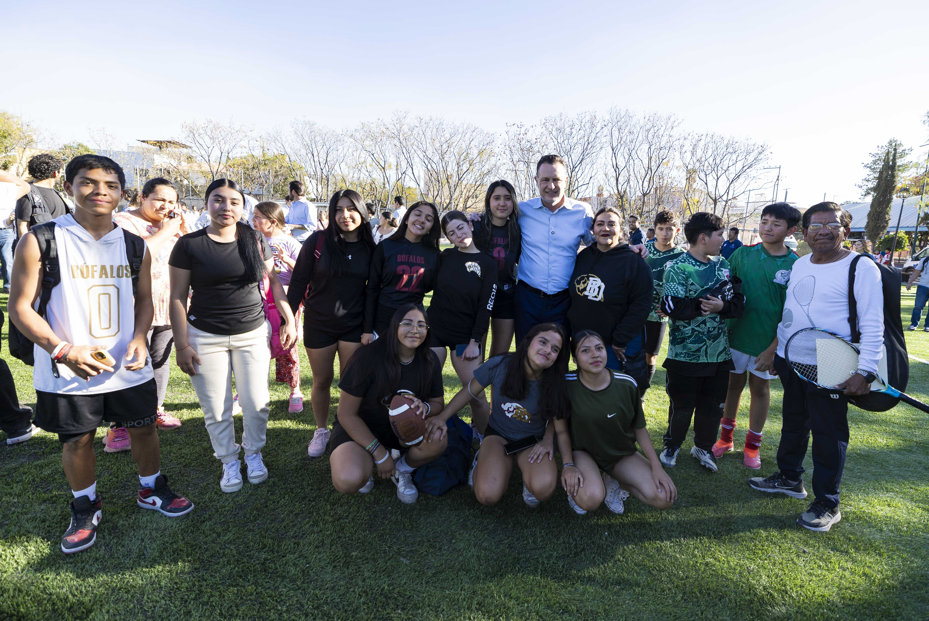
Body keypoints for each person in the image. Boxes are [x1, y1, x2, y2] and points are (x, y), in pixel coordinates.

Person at [8, 154, 193, 554]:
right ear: (70, 187)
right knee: (78, 441)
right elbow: (20, 307)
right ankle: (85, 506)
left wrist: (141, 336)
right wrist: (63, 349)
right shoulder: (41, 239)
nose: (99, 192)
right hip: (66, 367)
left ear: (122, 193)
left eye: (110, 186)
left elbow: (144, 300)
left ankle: (151, 489)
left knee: (144, 427)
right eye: (88, 183)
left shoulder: (133, 244)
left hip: (126, 363)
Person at [748, 202, 884, 532]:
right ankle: (789, 478)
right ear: (805, 232)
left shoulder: (861, 267)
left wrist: (865, 371)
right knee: (794, 421)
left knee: (828, 433)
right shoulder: (801, 263)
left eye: (832, 225)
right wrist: (780, 352)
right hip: (794, 357)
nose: (823, 230)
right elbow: (792, 311)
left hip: (833, 359)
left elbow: (873, 323)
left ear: (846, 231)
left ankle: (827, 502)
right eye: (816, 225)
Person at [169, 179, 297, 493]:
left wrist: (289, 318)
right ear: (207, 203)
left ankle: (253, 453)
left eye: (234, 201)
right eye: (218, 200)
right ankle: (228, 460)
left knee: (256, 403)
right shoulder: (189, 244)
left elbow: (274, 282)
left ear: (242, 206)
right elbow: (177, 296)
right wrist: (182, 344)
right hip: (204, 336)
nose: (226, 207)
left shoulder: (254, 239)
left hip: (252, 333)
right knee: (216, 407)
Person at [432, 323, 570, 508]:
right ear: (528, 342)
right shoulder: (501, 364)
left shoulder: (555, 381)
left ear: (557, 357)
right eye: (543, 342)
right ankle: (485, 458)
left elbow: (558, 421)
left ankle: (528, 478)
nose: (547, 350)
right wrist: (442, 417)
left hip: (531, 440)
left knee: (543, 489)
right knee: (487, 496)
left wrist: (547, 440)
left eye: (555, 349)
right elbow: (469, 392)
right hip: (498, 435)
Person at [514, 155, 647, 345]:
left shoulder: (582, 211)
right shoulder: (522, 210)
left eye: (556, 180)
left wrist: (627, 247)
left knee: (558, 358)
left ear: (566, 180)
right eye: (545, 180)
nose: (551, 186)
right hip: (527, 298)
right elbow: (496, 221)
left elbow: (600, 243)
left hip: (564, 300)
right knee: (524, 355)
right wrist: (474, 220)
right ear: (536, 180)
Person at [288, 189, 376, 458]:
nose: (345, 215)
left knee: (352, 383)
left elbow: (373, 291)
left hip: (354, 327)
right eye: (338, 209)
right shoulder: (318, 241)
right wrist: (288, 319)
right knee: (322, 380)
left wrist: (367, 328)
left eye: (351, 209)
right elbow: (299, 282)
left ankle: (349, 429)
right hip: (319, 323)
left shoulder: (371, 248)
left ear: (362, 211)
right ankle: (321, 429)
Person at [713, 203, 801, 470]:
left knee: (760, 389)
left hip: (767, 344)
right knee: (732, 386)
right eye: (764, 221)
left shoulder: (796, 264)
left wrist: (774, 349)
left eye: (776, 223)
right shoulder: (742, 254)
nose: (768, 227)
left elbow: (792, 313)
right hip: (736, 335)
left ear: (791, 230)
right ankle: (725, 438)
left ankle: (752, 446)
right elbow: (724, 289)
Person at [330, 304, 447, 504]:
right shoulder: (367, 357)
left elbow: (437, 403)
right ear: (394, 327)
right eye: (407, 324)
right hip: (362, 427)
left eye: (421, 325)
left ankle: (402, 469)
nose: (415, 330)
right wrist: (380, 454)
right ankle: (368, 461)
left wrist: (424, 407)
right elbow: (346, 414)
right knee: (348, 479)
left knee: (437, 437)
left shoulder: (429, 360)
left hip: (402, 429)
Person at [658, 212, 744, 473]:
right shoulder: (678, 267)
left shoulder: (724, 266)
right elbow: (671, 305)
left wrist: (723, 306)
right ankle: (672, 445)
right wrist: (705, 304)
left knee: (712, 406)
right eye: (719, 234)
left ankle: (703, 446)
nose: (723, 239)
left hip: (718, 354)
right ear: (703, 238)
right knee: (682, 405)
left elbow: (738, 304)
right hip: (685, 355)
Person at [110, 177, 188, 455]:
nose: (165, 206)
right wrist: (168, 230)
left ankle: (155, 409)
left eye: (171, 201)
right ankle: (119, 424)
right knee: (128, 361)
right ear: (142, 197)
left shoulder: (173, 224)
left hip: (170, 303)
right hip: (135, 306)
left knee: (160, 359)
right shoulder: (122, 221)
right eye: (160, 199)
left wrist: (182, 229)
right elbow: (138, 254)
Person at [560, 330, 676, 515]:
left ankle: (613, 479)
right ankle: (583, 485)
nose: (595, 354)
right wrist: (568, 465)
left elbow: (639, 428)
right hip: (583, 453)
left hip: (619, 453)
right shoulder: (566, 385)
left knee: (663, 497)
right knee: (589, 500)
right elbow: (559, 428)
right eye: (585, 351)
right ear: (574, 359)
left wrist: (656, 466)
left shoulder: (626, 383)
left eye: (599, 348)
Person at [428, 211, 497, 437]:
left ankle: (486, 440)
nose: (458, 234)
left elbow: (486, 306)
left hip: (465, 338)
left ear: (470, 225)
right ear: (448, 238)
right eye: (451, 233)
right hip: (435, 331)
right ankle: (423, 434)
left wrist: (474, 341)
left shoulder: (487, 263)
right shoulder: (445, 257)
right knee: (425, 386)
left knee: (476, 395)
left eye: (460, 228)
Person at [567, 206, 652, 386]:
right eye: (600, 224)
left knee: (612, 397)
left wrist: (620, 339)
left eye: (611, 224)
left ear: (621, 230)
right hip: (582, 343)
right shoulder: (583, 257)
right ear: (593, 229)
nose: (605, 229)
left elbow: (641, 305)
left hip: (614, 347)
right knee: (586, 393)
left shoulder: (634, 261)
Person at [252, 201, 304, 413]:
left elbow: (303, 274)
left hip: (285, 300)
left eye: (257, 217)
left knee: (287, 343)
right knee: (256, 344)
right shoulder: (251, 240)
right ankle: (252, 390)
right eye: (253, 216)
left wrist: (286, 259)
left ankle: (296, 390)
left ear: (272, 221)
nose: (253, 221)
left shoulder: (291, 243)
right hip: (258, 298)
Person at [362, 201, 440, 341]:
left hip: (414, 321)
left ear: (431, 227)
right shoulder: (385, 247)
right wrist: (367, 329)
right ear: (406, 219)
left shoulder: (434, 255)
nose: (422, 220)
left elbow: (433, 289)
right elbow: (372, 288)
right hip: (383, 319)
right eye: (418, 214)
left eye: (428, 219)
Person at [473, 180, 521, 357]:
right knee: (475, 356)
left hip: (506, 297)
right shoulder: (475, 226)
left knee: (499, 359)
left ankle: (496, 387)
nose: (502, 203)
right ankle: (474, 386)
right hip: (478, 297)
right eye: (497, 198)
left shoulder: (519, 230)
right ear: (488, 201)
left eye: (507, 198)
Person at [643, 210, 684, 391]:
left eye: (669, 229)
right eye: (661, 229)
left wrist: (672, 308)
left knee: (650, 356)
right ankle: (629, 393)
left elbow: (684, 288)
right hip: (638, 311)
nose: (665, 233)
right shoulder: (644, 250)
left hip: (659, 315)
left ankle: (641, 395)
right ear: (655, 229)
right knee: (629, 352)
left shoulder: (681, 256)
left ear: (678, 230)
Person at [15, 154, 70, 239]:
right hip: (39, 249)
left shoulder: (57, 194)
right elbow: (23, 227)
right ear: (55, 173)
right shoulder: (28, 193)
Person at [0, 169, 30, 292]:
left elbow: (24, 186)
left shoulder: (4, 190)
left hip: (5, 231)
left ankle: (9, 286)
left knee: (7, 260)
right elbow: (24, 186)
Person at [906, 251, 929, 331]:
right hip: (923, 286)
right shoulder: (924, 260)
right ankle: (914, 324)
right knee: (918, 307)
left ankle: (927, 326)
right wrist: (909, 282)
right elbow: (917, 272)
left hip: (923, 287)